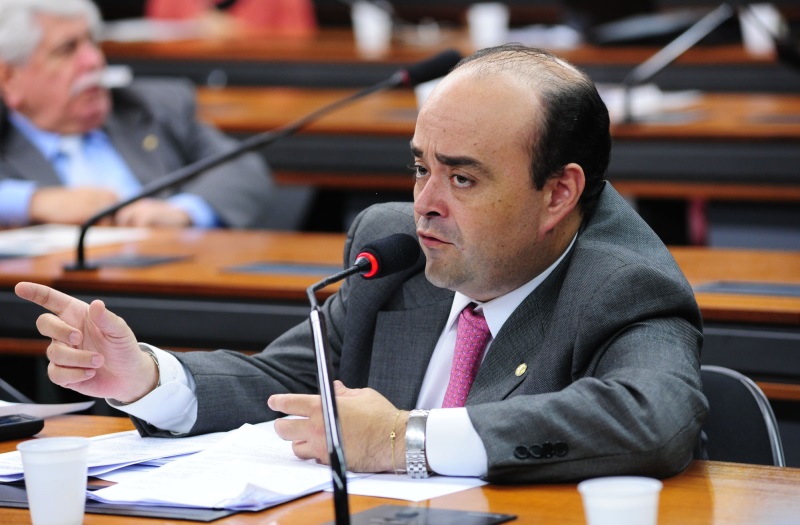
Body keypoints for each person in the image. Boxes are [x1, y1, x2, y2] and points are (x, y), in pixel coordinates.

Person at [15, 44, 708, 483]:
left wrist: (403, 439)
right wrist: (149, 376)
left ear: (559, 192)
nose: (425, 204)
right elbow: (288, 383)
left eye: (462, 179)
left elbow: (655, 418)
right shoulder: (397, 251)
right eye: (418, 169)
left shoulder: (622, 280)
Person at [0, 0, 274, 228]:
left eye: (92, 42)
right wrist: (31, 202)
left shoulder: (150, 106)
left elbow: (244, 168)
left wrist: (183, 212)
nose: (94, 60)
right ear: (10, 78)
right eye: (67, 49)